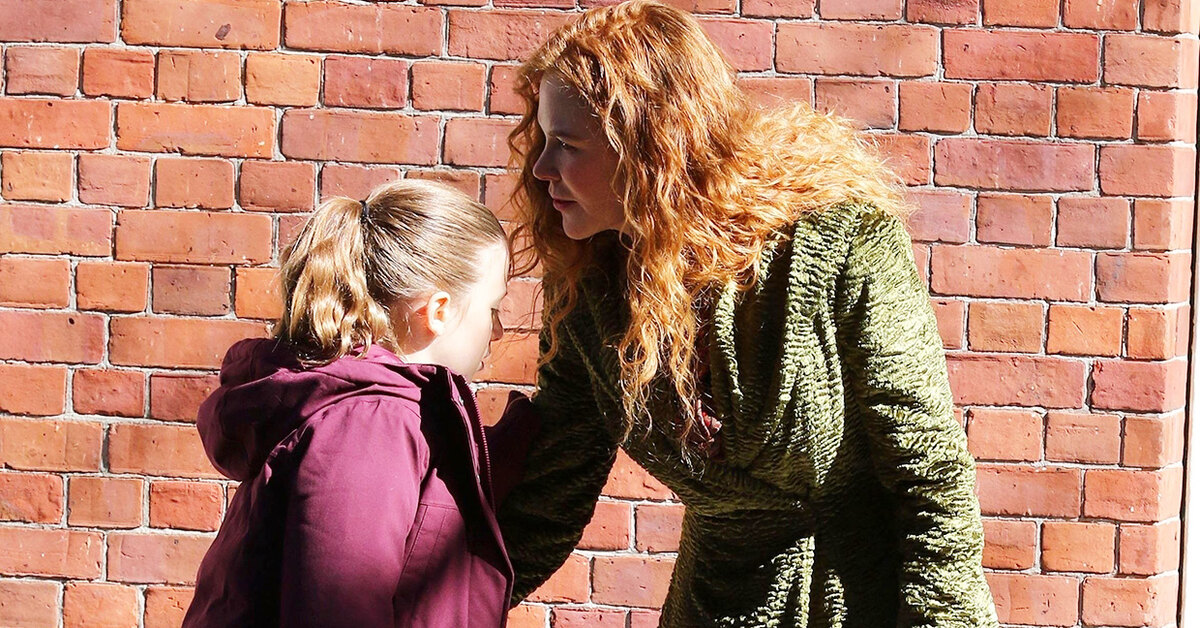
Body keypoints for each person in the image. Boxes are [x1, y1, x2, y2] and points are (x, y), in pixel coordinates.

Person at [496, 1, 999, 626]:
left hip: (858, 597)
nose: (541, 168)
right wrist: (434, 607)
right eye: (543, 140)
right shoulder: (589, 286)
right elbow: (550, 492)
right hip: (712, 604)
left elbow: (928, 472)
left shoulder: (839, 242)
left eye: (567, 144)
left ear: (653, 148)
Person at [182, 179, 534, 627]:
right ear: (439, 311)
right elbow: (338, 609)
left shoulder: (371, 412)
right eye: (493, 309)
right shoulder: (371, 422)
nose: (498, 331)